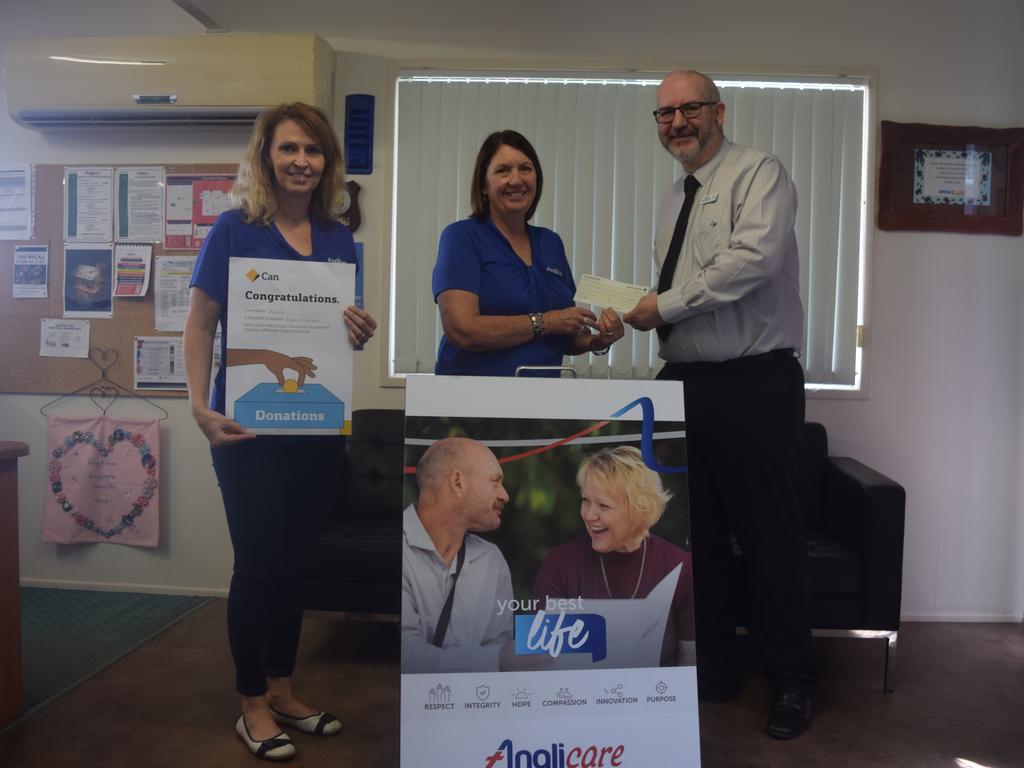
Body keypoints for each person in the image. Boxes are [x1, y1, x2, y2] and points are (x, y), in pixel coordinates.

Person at [623, 69, 817, 740]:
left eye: (689, 108)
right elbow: (677, 284)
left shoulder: (760, 172)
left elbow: (752, 259)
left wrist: (663, 306)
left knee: (770, 534)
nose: (676, 121)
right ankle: (717, 670)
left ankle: (793, 680)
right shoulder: (674, 195)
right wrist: (635, 310)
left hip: (754, 383)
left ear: (718, 111)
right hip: (685, 382)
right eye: (664, 113)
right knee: (694, 538)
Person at [183, 102, 377, 761]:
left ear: (327, 163)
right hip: (244, 428)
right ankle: (252, 705)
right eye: (289, 149)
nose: (301, 161)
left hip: (316, 428)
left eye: (313, 151)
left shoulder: (336, 237)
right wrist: (196, 405)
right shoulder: (235, 229)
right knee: (260, 565)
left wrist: (358, 328)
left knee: (295, 567)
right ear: (267, 156)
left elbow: (337, 334)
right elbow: (199, 324)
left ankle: (285, 690)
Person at [432, 129, 624, 376]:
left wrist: (597, 341)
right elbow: (462, 330)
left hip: (541, 400)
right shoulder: (462, 237)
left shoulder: (551, 242)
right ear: (483, 185)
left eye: (525, 168)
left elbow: (564, 334)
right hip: (473, 399)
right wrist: (545, 322)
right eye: (503, 170)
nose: (516, 180)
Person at [531, 446, 695, 666]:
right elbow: (538, 661)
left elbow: (689, 669)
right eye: (585, 500)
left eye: (603, 505)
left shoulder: (681, 567)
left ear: (640, 508)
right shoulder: (560, 564)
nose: (589, 515)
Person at [402, 437, 514, 673]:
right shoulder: (399, 550)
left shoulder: (492, 561)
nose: (504, 495)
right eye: (495, 482)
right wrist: (496, 660)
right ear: (457, 482)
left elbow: (499, 645)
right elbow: (405, 656)